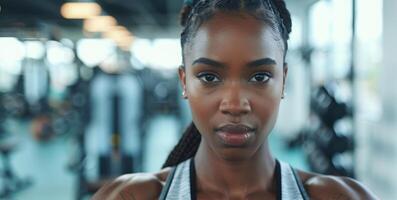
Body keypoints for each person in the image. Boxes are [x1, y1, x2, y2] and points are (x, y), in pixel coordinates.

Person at [92, 0, 378, 199]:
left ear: (284, 80)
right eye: (209, 77)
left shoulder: (341, 197)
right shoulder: (129, 196)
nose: (235, 104)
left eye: (259, 77)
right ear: (184, 82)